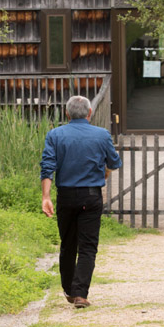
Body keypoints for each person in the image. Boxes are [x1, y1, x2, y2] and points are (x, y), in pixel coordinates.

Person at [40, 95, 122, 308]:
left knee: (68, 244)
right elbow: (114, 161)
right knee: (88, 246)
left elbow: (47, 166)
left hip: (65, 196)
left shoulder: (55, 135)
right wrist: (104, 172)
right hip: (91, 195)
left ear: (67, 114)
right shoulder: (101, 135)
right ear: (89, 113)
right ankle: (80, 293)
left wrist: (46, 197)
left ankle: (68, 289)